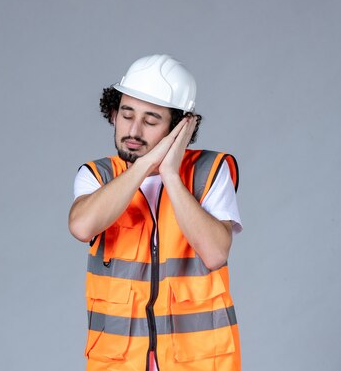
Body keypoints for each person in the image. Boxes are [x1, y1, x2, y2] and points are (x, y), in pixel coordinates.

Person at [68, 54, 242, 371]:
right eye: (126, 114)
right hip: (118, 362)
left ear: (179, 127)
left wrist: (171, 175)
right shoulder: (98, 176)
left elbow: (215, 253)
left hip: (200, 362)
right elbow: (81, 226)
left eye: (150, 121)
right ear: (113, 112)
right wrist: (147, 164)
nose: (134, 130)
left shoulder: (209, 173)